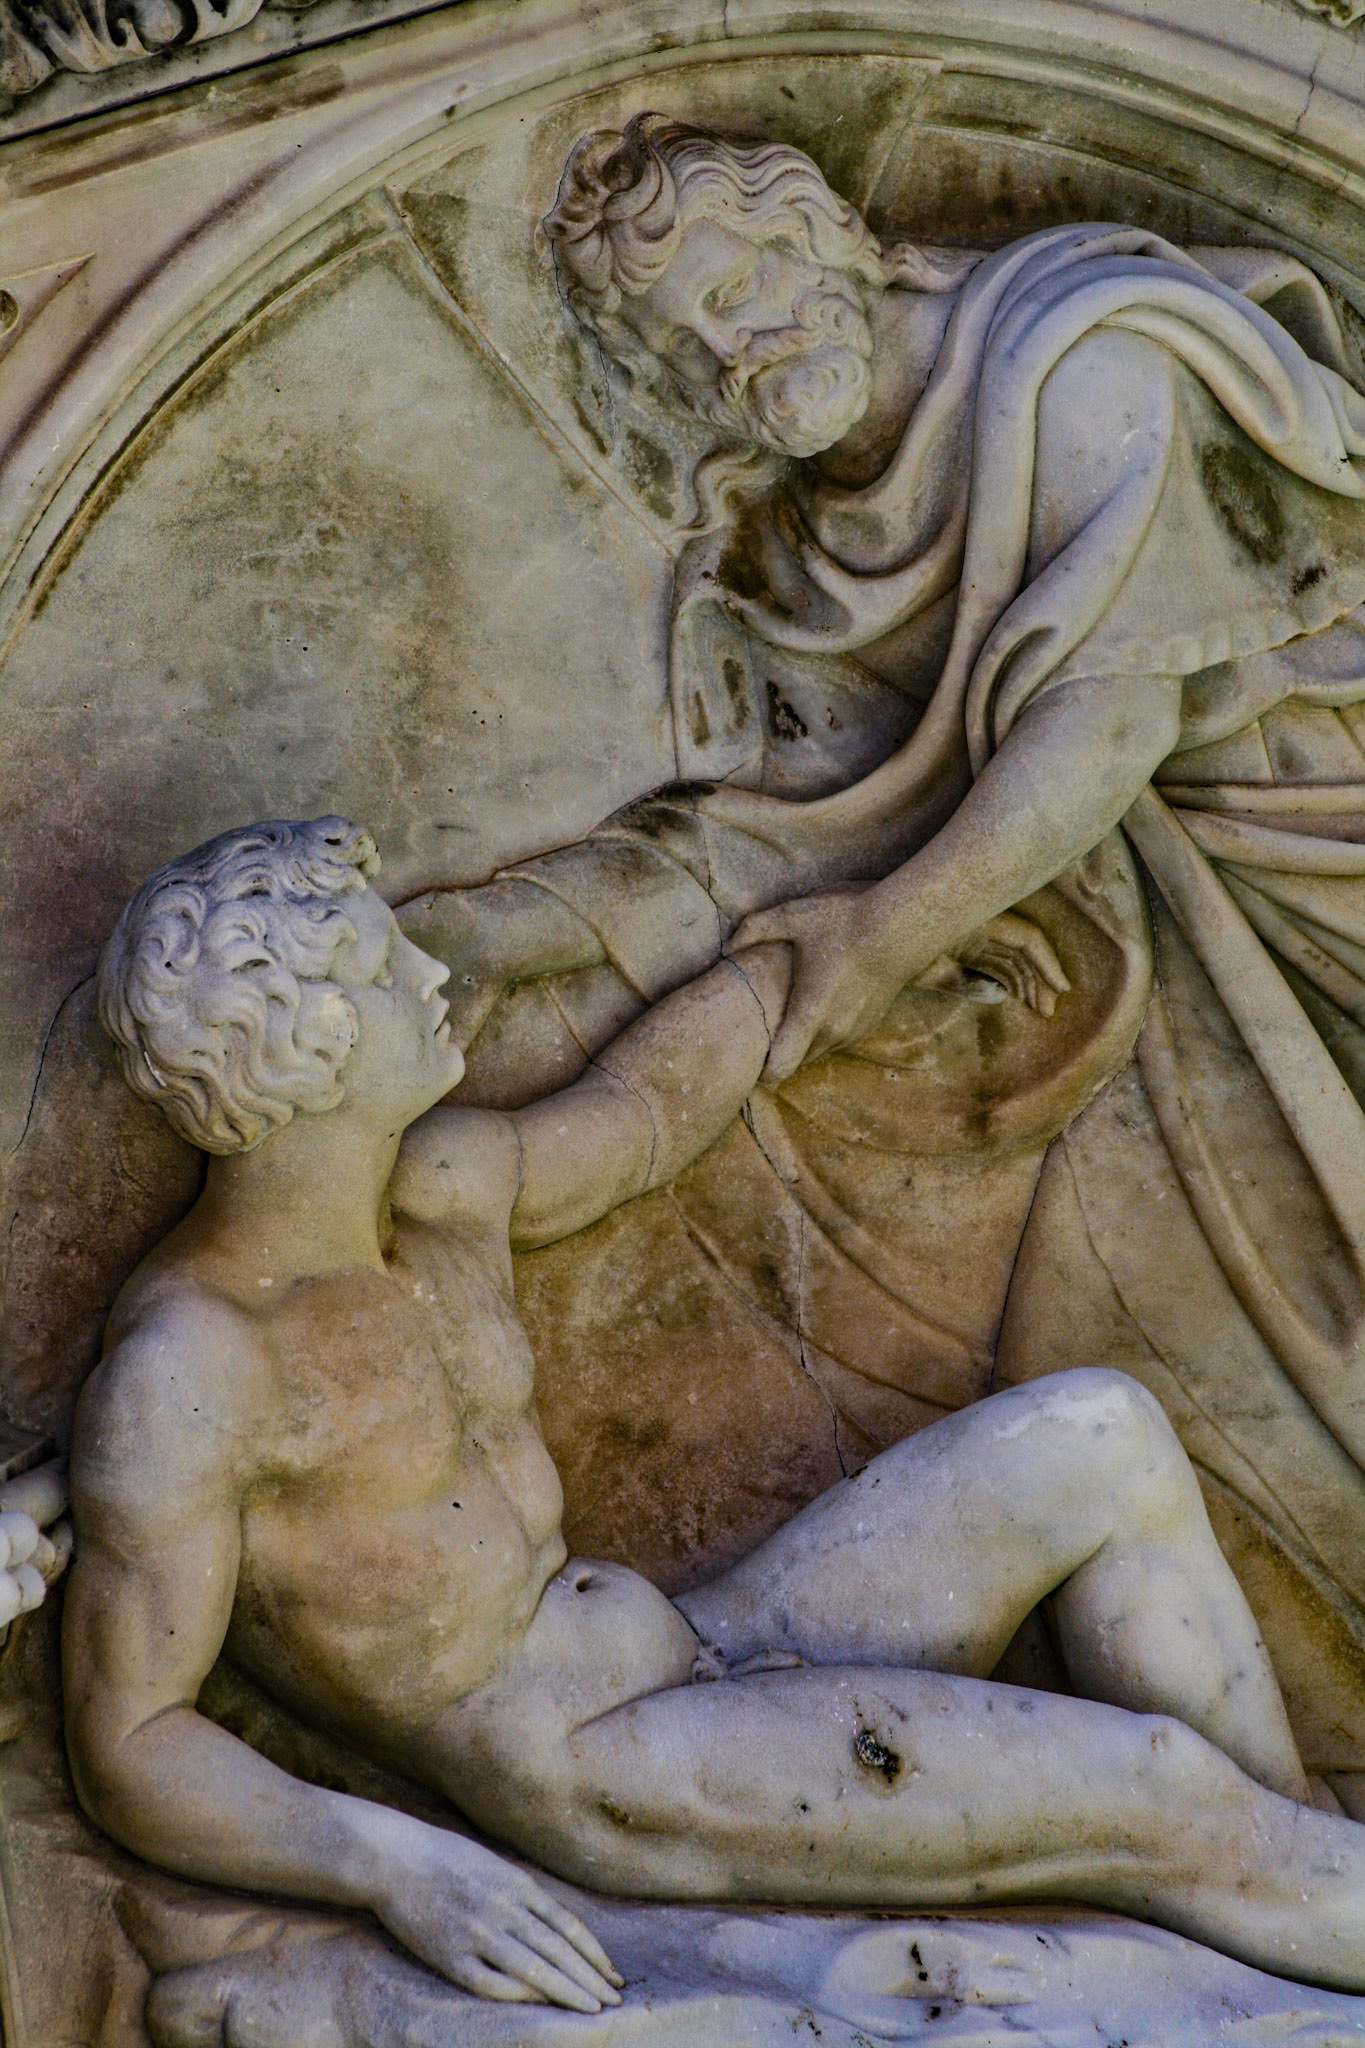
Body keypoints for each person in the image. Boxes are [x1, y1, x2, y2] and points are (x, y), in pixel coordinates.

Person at [398, 116, 1365, 1780]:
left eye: (752, 280)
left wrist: (877, 935)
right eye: (692, 341)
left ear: (836, 232)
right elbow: (771, 825)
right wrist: (494, 927)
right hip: (1160, 991)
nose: (742, 344)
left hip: (1319, 869)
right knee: (1130, 1363)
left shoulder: (1079, 353)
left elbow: (1103, 709)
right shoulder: (802, 542)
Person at [59, 816, 1365, 2014]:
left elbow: (641, 1117)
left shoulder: (441, 1187)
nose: (429, 970)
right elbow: (131, 1739)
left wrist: (846, 949)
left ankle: (1291, 1866)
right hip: (609, 1772)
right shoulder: (198, 1370)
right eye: (379, 959)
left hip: (693, 1646)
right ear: (309, 1040)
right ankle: (1275, 1880)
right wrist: (399, 1870)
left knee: (1099, 1438)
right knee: (1152, 1789)